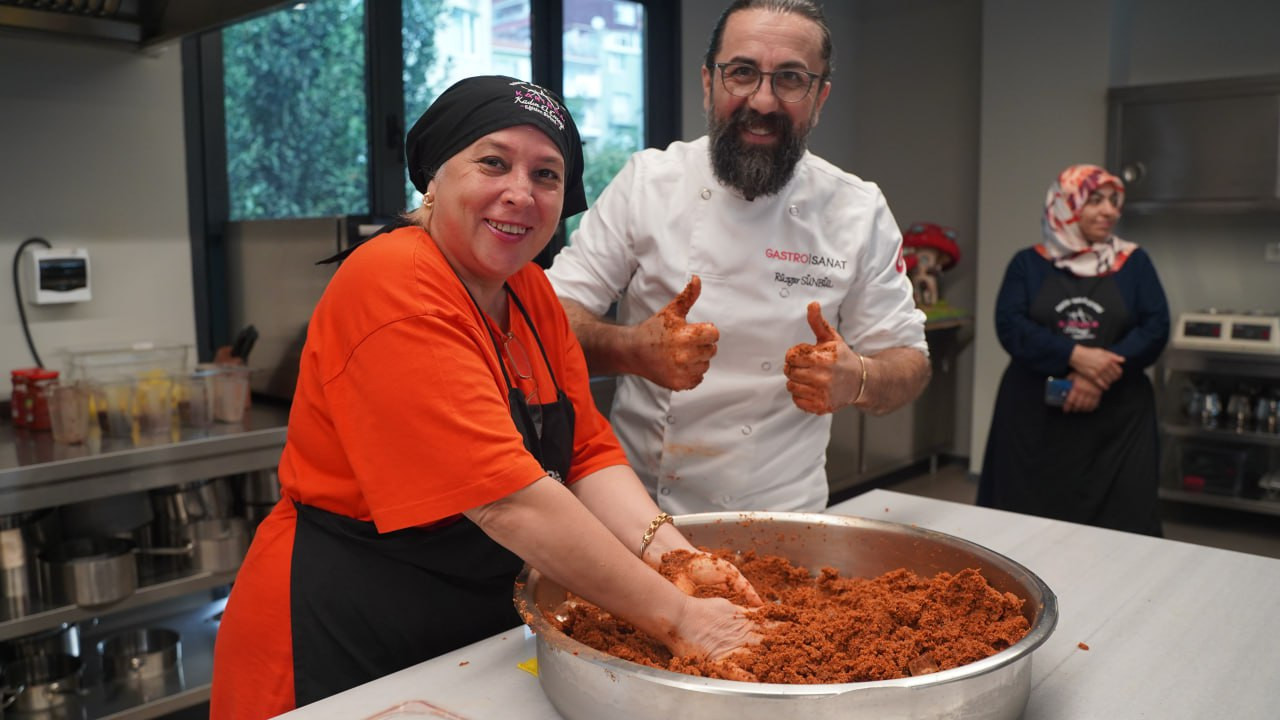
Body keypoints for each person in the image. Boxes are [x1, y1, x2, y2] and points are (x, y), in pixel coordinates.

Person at [210, 76, 763, 719]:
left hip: (462, 625)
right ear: (434, 177)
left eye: (546, 175)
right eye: (493, 162)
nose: (520, 193)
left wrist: (678, 560)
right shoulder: (395, 283)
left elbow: (586, 454)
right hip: (341, 632)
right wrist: (681, 619)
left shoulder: (530, 292)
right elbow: (507, 501)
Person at [546, 0, 930, 514]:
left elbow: (910, 361)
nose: (763, 101)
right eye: (742, 72)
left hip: (783, 512)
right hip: (636, 508)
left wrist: (858, 377)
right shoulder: (648, 183)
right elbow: (547, 321)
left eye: (791, 78)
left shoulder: (857, 210)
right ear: (709, 82)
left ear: (820, 97)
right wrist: (631, 350)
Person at [977, 164, 1170, 536]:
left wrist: (1095, 376)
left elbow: (1155, 327)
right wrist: (1076, 356)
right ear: (1065, 205)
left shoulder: (1135, 263)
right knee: (1023, 528)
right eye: (1095, 200)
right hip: (1034, 421)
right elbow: (1011, 325)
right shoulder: (1027, 264)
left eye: (1114, 201)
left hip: (1117, 423)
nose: (1109, 211)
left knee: (1121, 524)